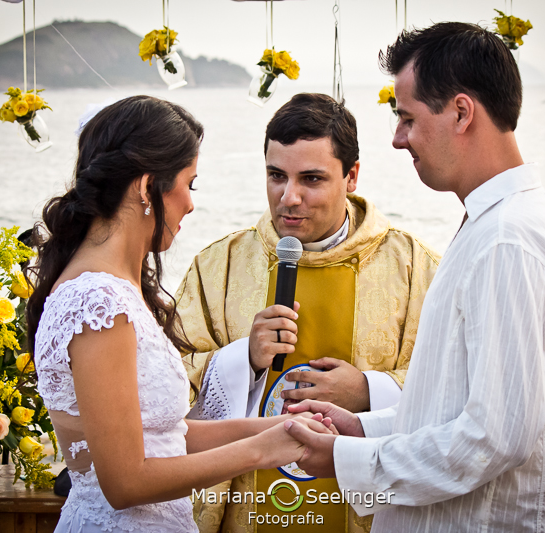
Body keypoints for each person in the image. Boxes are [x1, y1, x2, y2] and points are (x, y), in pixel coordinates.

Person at [285, 23, 545, 532]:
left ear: (462, 112)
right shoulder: (494, 223)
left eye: (407, 118)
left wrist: (349, 461)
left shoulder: (507, 239)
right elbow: (456, 403)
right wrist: (361, 428)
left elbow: (495, 436)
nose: (398, 139)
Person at [27, 96, 335, 533]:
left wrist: (278, 427)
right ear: (145, 186)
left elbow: (167, 437)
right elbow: (125, 483)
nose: (190, 204)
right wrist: (262, 452)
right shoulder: (98, 302)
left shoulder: (111, 287)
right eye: (189, 184)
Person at [175, 93, 440, 532]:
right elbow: (165, 390)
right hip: (250, 504)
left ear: (351, 176)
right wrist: (244, 360)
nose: (289, 197)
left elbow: (453, 389)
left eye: (311, 179)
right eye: (276, 176)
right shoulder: (218, 266)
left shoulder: (413, 267)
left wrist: (369, 392)